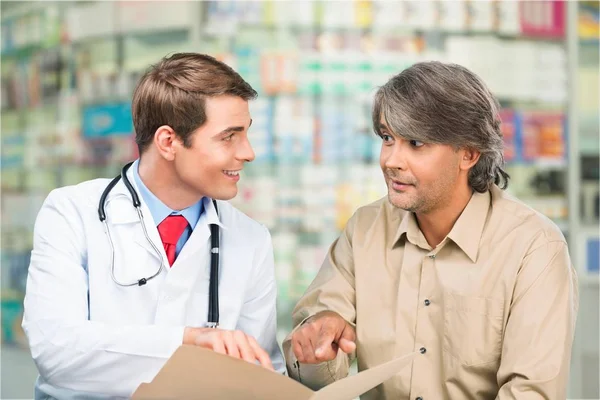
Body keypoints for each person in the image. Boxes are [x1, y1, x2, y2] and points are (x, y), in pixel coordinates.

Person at [284, 61, 579, 399]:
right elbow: (315, 373)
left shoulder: (533, 247)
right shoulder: (365, 229)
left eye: (415, 143)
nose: (391, 160)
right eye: (387, 138)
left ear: (468, 153)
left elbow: (531, 393)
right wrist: (317, 348)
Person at [22, 53, 284, 400]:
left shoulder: (250, 239)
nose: (248, 152)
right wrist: (188, 341)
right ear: (168, 142)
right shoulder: (72, 213)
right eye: (229, 137)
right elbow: (55, 350)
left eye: (246, 134)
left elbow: (261, 373)